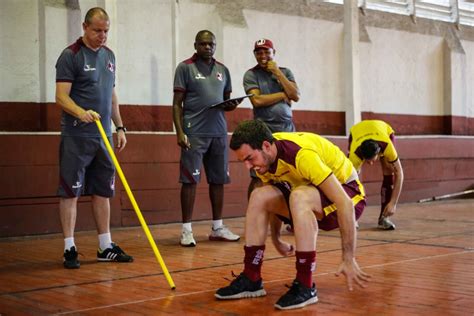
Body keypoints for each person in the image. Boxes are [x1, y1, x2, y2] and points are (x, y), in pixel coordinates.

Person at [215, 120, 371, 310]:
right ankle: (251, 277)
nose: (248, 166)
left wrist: (348, 258)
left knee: (299, 196)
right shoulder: (266, 160)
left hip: (349, 196)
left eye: (250, 158)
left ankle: (305, 286)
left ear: (265, 146)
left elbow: (344, 203)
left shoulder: (301, 155)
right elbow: (274, 200)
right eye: (243, 161)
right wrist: (277, 238)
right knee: (259, 195)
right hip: (308, 195)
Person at [55, 7, 133, 269]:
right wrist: (81, 112)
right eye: (97, 30)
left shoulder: (109, 56)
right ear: (85, 28)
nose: (103, 36)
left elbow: (111, 95)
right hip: (77, 134)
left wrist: (119, 127)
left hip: (103, 136)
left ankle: (105, 245)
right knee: (71, 192)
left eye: (106, 31)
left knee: (102, 190)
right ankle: (69, 247)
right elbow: (61, 96)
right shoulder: (71, 56)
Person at [172, 30, 242, 247]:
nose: (207, 48)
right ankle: (186, 230)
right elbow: (177, 104)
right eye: (203, 44)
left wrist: (231, 106)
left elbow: (225, 101)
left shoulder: (223, 70)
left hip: (218, 133)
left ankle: (218, 227)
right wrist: (180, 132)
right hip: (194, 133)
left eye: (211, 44)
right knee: (190, 181)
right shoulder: (185, 68)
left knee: (218, 180)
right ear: (195, 45)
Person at [243, 38, 299, 197]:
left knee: (290, 175)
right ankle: (253, 215)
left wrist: (277, 72)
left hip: (287, 131)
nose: (263, 56)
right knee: (258, 177)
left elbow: (295, 95)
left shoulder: (285, 72)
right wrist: (282, 94)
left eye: (267, 52)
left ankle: (290, 218)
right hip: (263, 131)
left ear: (274, 53)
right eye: (259, 52)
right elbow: (257, 100)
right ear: (254, 55)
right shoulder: (251, 74)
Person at [348, 120, 404, 230]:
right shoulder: (355, 155)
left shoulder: (387, 146)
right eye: (366, 160)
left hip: (383, 130)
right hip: (357, 131)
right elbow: (347, 181)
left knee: (389, 169)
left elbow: (399, 173)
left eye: (372, 160)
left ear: (378, 152)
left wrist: (393, 203)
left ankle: (384, 218)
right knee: (352, 176)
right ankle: (352, 216)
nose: (370, 163)